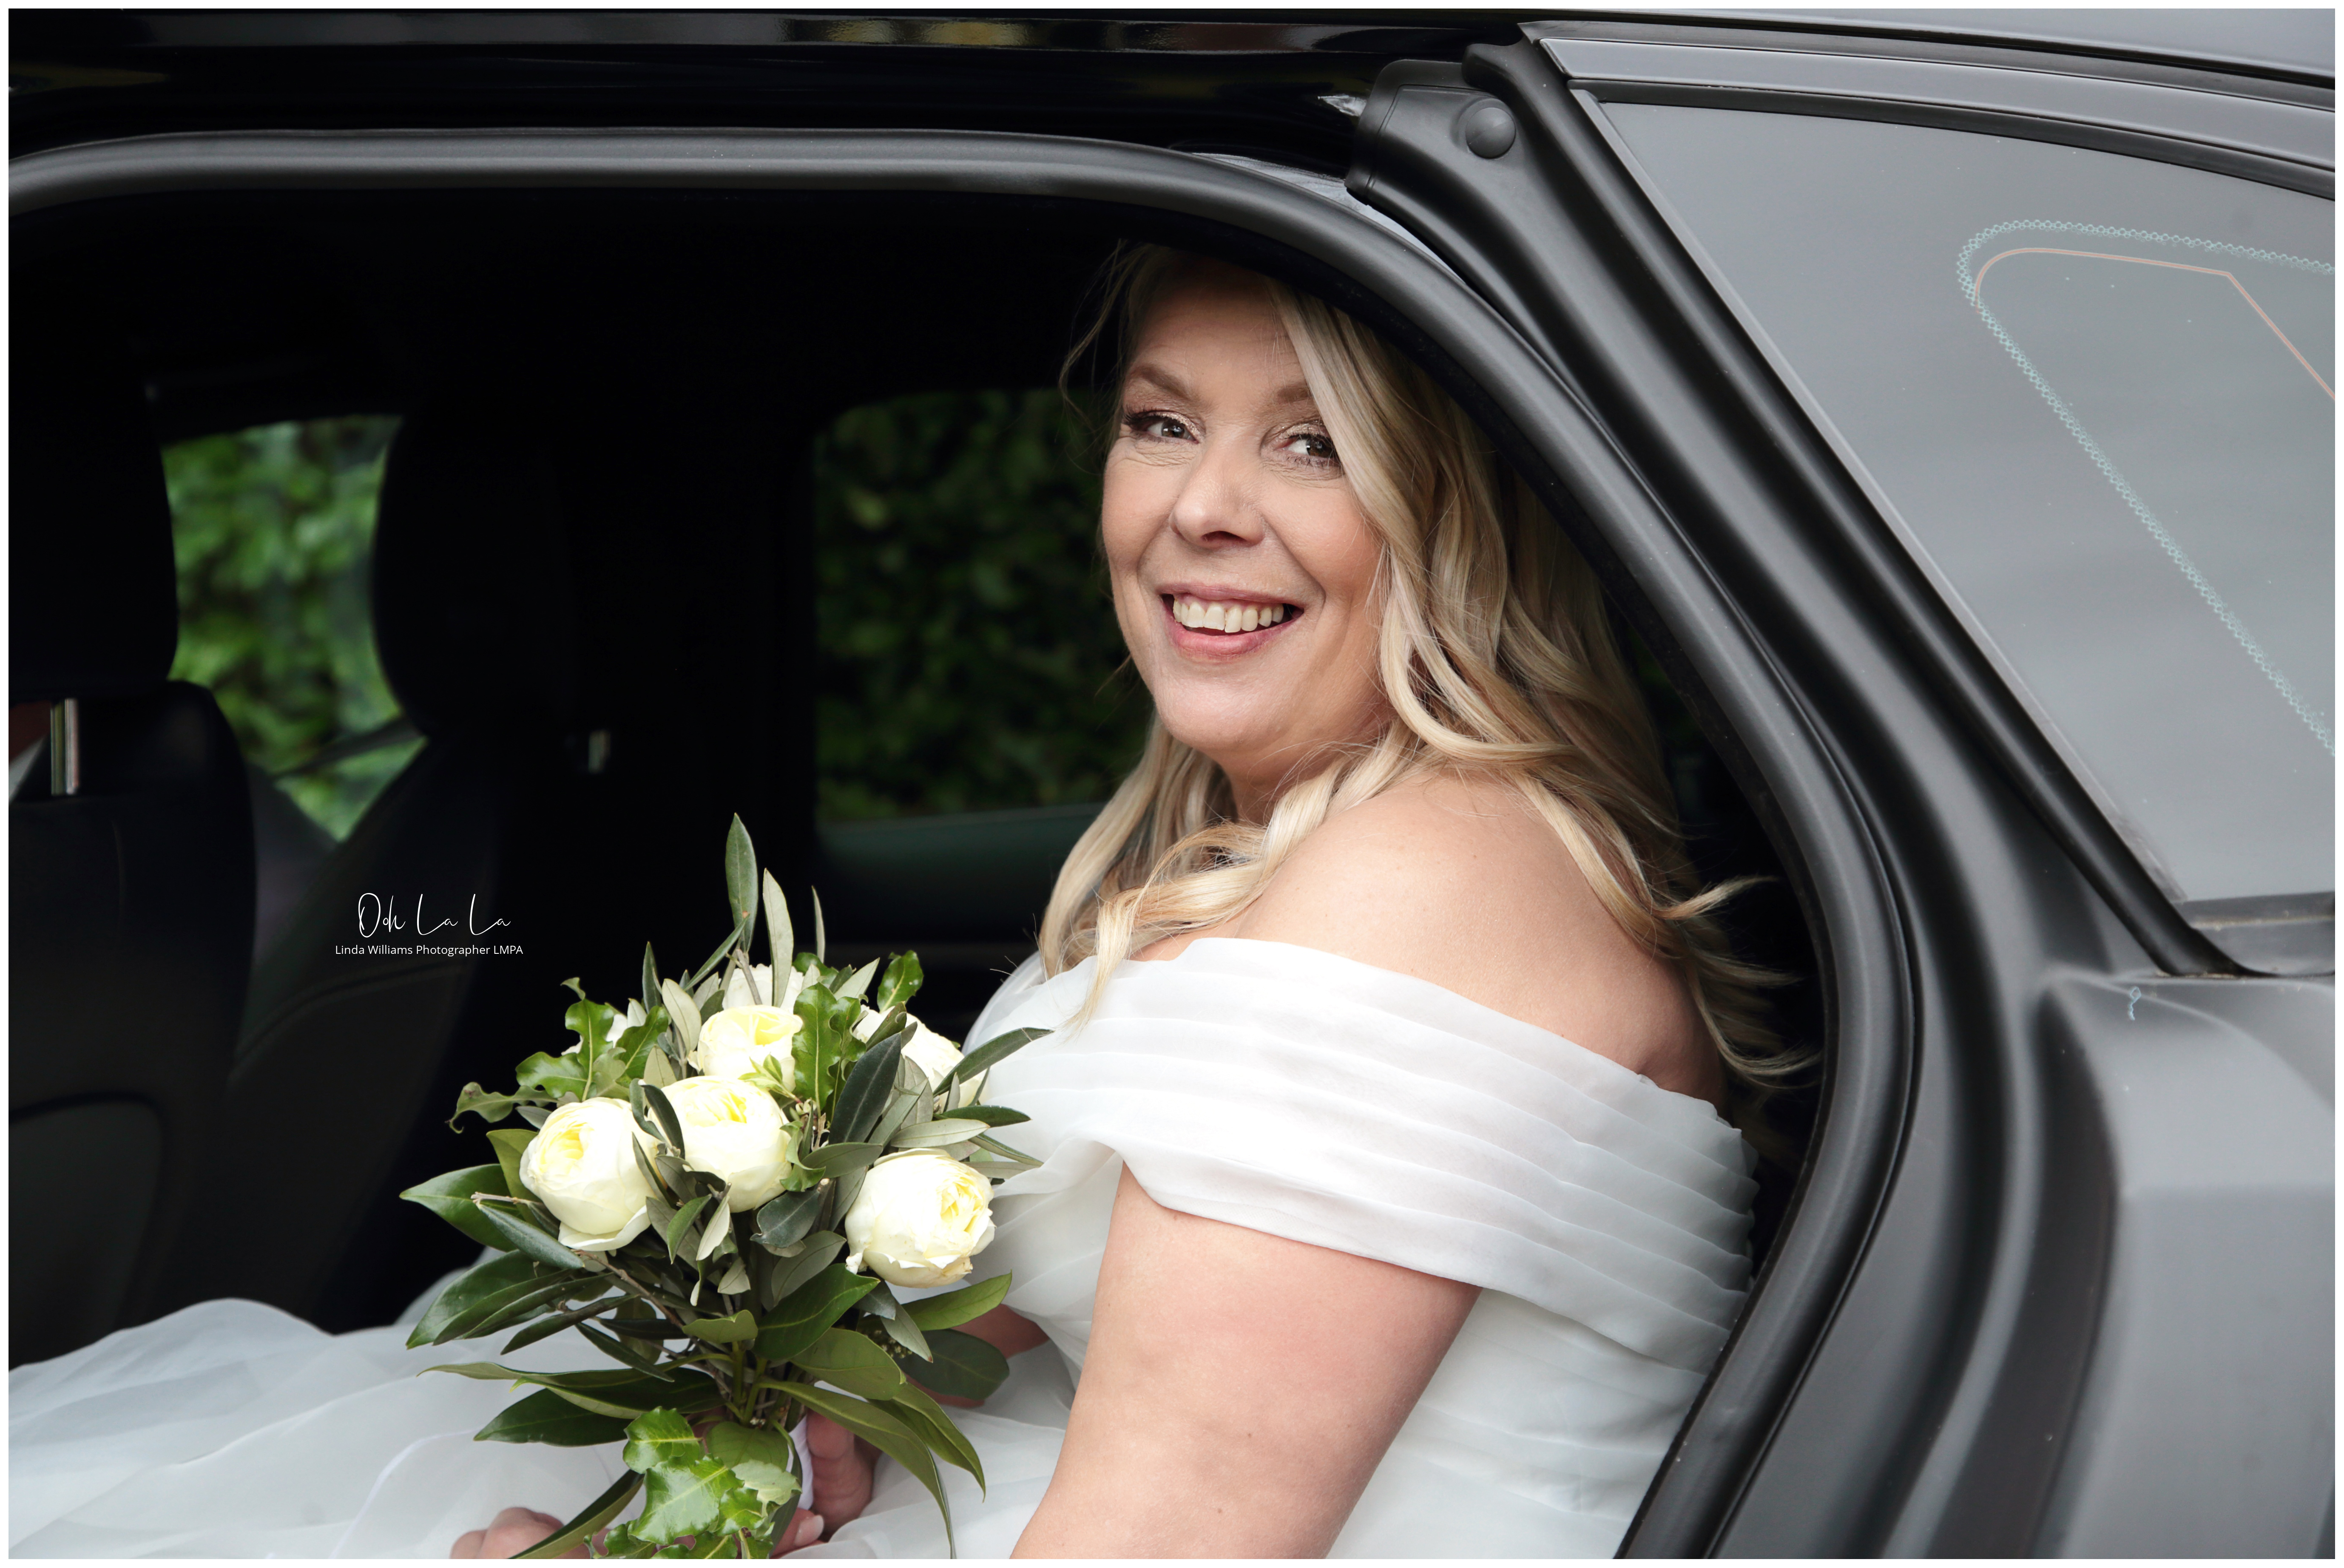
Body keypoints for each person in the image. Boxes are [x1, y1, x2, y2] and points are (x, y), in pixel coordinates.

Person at [8, 247, 1798, 1559]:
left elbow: (1170, 1542)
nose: (1198, 509)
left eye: (1311, 446)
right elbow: (1093, 1309)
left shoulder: (1416, 882)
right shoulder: (1338, 844)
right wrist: (805, 1397)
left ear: (1457, 513)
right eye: (1160, 422)